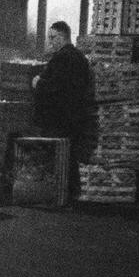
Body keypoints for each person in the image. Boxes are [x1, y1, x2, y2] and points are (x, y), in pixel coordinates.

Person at [32, 21, 92, 196]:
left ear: (62, 37)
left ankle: (57, 195)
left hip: (58, 118)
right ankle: (70, 195)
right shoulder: (80, 58)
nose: (50, 41)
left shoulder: (62, 58)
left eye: (53, 37)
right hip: (74, 116)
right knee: (69, 156)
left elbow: (56, 87)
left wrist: (39, 83)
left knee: (57, 156)